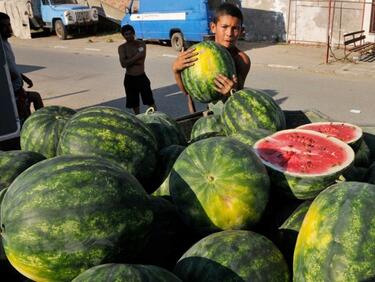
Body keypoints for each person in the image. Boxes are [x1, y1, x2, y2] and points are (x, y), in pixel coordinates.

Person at [172, 3, 251, 113]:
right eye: (224, 27)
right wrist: (176, 70)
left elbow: (239, 97)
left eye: (235, 28)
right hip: (210, 114)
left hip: (230, 113)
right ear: (213, 27)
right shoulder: (198, 53)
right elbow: (187, 92)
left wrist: (231, 93)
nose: (229, 33)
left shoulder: (242, 60)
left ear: (241, 31)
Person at [0, 12, 44, 123]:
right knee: (24, 117)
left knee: (35, 98)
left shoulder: (6, 43)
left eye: (9, 25)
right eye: (3, 26)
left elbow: (12, 67)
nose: (8, 28)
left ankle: (44, 121)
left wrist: (24, 78)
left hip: (18, 90)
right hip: (12, 94)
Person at [118, 24, 157, 114]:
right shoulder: (122, 48)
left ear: (134, 33)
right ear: (123, 35)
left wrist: (130, 60)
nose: (128, 36)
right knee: (134, 103)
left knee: (150, 101)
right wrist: (137, 56)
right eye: (126, 34)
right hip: (130, 78)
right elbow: (123, 64)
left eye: (130, 34)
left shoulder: (141, 44)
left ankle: (156, 118)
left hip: (142, 77)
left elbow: (140, 60)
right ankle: (138, 118)